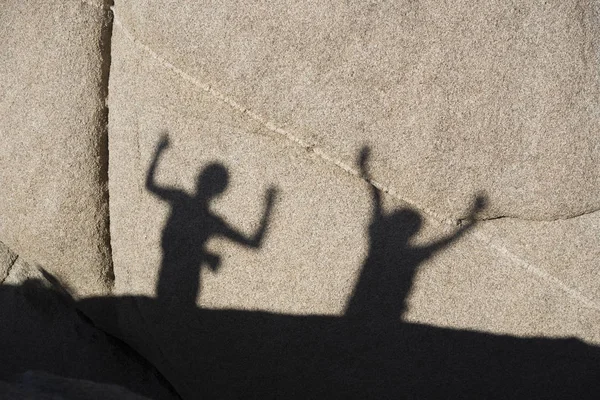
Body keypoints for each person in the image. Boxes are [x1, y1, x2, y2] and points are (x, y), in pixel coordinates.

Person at [345, 146, 485, 322]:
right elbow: (443, 243)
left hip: (364, 304)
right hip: (388, 309)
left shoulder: (379, 240)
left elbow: (376, 203)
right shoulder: (407, 253)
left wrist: (363, 167)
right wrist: (472, 217)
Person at [146, 134, 277, 307]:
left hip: (169, 274)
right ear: (220, 191)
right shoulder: (211, 221)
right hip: (189, 278)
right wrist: (269, 205)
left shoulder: (180, 199)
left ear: (198, 179)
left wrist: (159, 151)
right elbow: (253, 242)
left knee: (164, 315)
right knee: (180, 319)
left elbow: (150, 185)